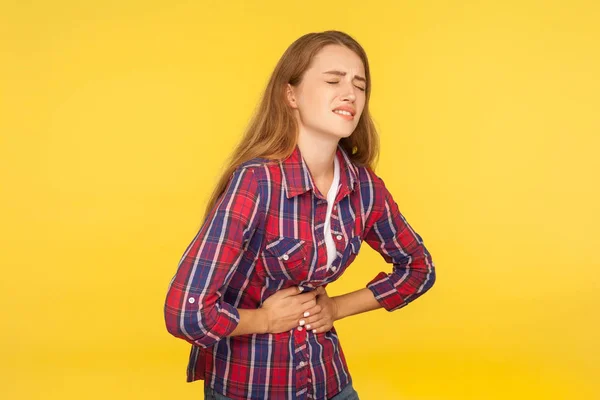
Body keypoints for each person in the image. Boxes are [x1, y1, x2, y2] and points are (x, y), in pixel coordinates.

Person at [163, 30, 436, 400]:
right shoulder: (257, 183)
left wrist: (336, 307)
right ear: (290, 94)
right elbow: (186, 312)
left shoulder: (365, 187)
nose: (349, 94)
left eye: (360, 84)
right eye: (332, 80)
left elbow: (418, 269)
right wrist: (265, 319)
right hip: (249, 387)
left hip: (330, 383)